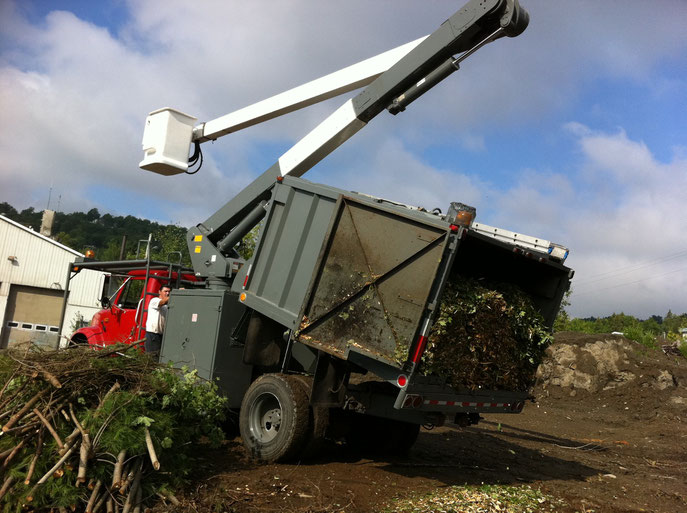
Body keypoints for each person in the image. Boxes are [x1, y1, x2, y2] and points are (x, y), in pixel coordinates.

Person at [144, 284, 171, 359]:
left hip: (161, 335)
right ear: (159, 292)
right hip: (152, 335)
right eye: (165, 291)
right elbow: (162, 302)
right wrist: (177, 294)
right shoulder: (154, 301)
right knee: (151, 358)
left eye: (169, 292)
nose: (167, 293)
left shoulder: (166, 307)